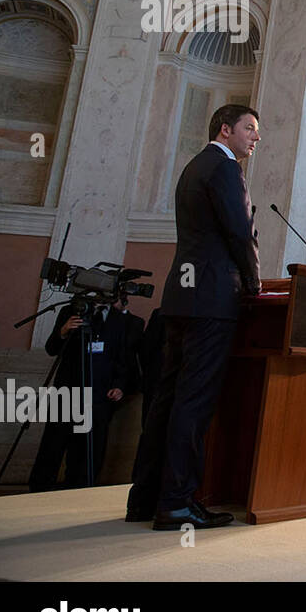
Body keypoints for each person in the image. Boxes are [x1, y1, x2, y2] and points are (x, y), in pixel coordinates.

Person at [127, 104, 261, 530]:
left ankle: (144, 498)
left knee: (166, 399)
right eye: (250, 129)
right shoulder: (224, 170)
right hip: (212, 298)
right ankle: (178, 503)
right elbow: (239, 232)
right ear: (226, 129)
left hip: (181, 299)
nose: (256, 138)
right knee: (194, 400)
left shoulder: (192, 167)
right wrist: (254, 282)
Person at [29, 294, 141, 491]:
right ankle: (39, 488)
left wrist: (120, 385)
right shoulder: (72, 311)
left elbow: (123, 357)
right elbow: (51, 348)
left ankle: (80, 489)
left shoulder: (120, 319)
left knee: (90, 447)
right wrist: (63, 331)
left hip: (100, 394)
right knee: (54, 442)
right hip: (67, 389)